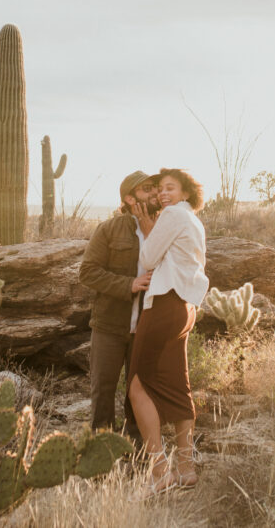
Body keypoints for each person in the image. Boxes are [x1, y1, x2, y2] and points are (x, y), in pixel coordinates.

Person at [128, 168, 209, 497]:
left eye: (170, 188)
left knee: (137, 385)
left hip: (163, 305)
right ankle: (186, 469)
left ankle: (160, 471)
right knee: (178, 385)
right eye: (160, 189)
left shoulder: (173, 215)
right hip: (185, 308)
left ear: (186, 193)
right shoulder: (193, 220)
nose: (163, 194)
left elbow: (147, 258)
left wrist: (149, 226)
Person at [79, 170, 161, 441]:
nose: (154, 193)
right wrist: (129, 284)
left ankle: (137, 454)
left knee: (139, 390)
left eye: (155, 188)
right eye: (146, 188)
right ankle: (101, 457)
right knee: (103, 390)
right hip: (109, 326)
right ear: (129, 198)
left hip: (147, 326)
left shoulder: (164, 228)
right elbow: (88, 272)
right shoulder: (109, 230)